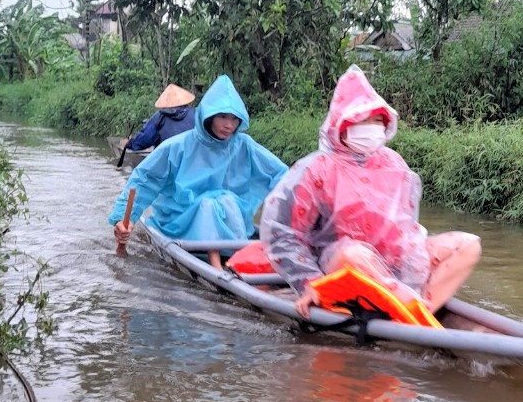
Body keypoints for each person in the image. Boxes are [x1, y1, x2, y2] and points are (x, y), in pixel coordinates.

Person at [260, 64, 481, 319]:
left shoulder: (393, 164)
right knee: (353, 255)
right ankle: (406, 309)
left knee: (468, 245)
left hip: (392, 261)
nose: (373, 127)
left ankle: (421, 307)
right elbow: (283, 234)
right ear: (342, 124)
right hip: (339, 260)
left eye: (378, 120)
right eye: (364, 120)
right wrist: (308, 283)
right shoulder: (317, 168)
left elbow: (406, 227)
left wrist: (412, 259)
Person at [110, 74, 288, 269]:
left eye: (234, 119)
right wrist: (123, 218)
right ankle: (216, 265)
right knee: (208, 205)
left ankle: (240, 257)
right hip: (182, 219)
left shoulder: (244, 145)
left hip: (229, 219)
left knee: (225, 201)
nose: (229, 125)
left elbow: (283, 177)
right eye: (222, 117)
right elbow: (144, 180)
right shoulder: (178, 146)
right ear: (209, 116)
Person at [123, 83, 197, 151]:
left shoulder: (159, 117)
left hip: (165, 158)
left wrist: (130, 144)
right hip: (191, 157)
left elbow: (145, 139)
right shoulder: (196, 114)